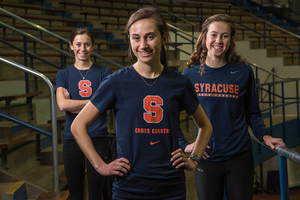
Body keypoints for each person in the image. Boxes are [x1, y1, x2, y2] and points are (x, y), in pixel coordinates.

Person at [71, 7, 212, 200]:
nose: (143, 45)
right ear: (129, 40)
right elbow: (78, 125)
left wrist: (194, 159)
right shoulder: (116, 82)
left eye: (150, 37)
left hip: (171, 188)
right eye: (136, 38)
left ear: (163, 37)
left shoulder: (179, 83)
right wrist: (100, 166)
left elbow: (205, 126)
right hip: (128, 188)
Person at [178, 14, 286, 200]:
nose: (218, 41)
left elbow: (252, 113)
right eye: (213, 35)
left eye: (225, 35)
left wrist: (265, 135)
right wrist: (184, 145)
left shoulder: (243, 72)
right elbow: (170, 116)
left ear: (231, 40)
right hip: (206, 158)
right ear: (204, 37)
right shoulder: (190, 75)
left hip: (240, 158)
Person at [55, 27, 112, 200]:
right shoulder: (63, 74)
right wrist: (96, 102)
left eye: (87, 44)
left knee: (97, 193)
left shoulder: (104, 72)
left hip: (98, 136)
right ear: (71, 46)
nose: (83, 48)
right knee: (75, 193)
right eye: (78, 44)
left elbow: (108, 104)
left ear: (93, 46)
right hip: (72, 138)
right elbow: (63, 105)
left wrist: (77, 104)